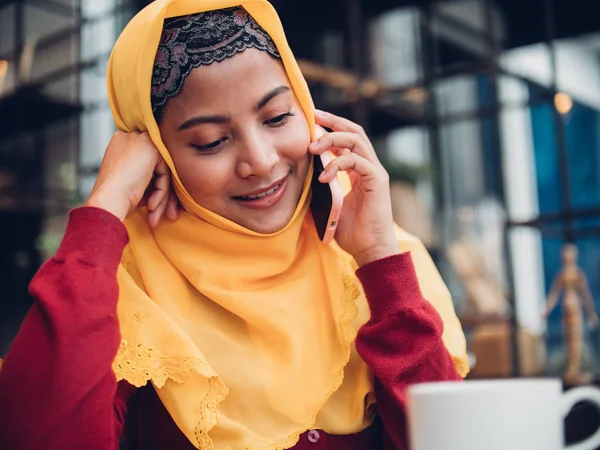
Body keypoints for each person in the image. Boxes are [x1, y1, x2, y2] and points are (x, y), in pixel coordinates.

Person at [0, 1, 468, 449]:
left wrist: (381, 264)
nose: (261, 162)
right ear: (158, 155)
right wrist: (105, 206)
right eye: (210, 142)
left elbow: (451, 440)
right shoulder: (124, 279)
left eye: (279, 116)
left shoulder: (372, 254)